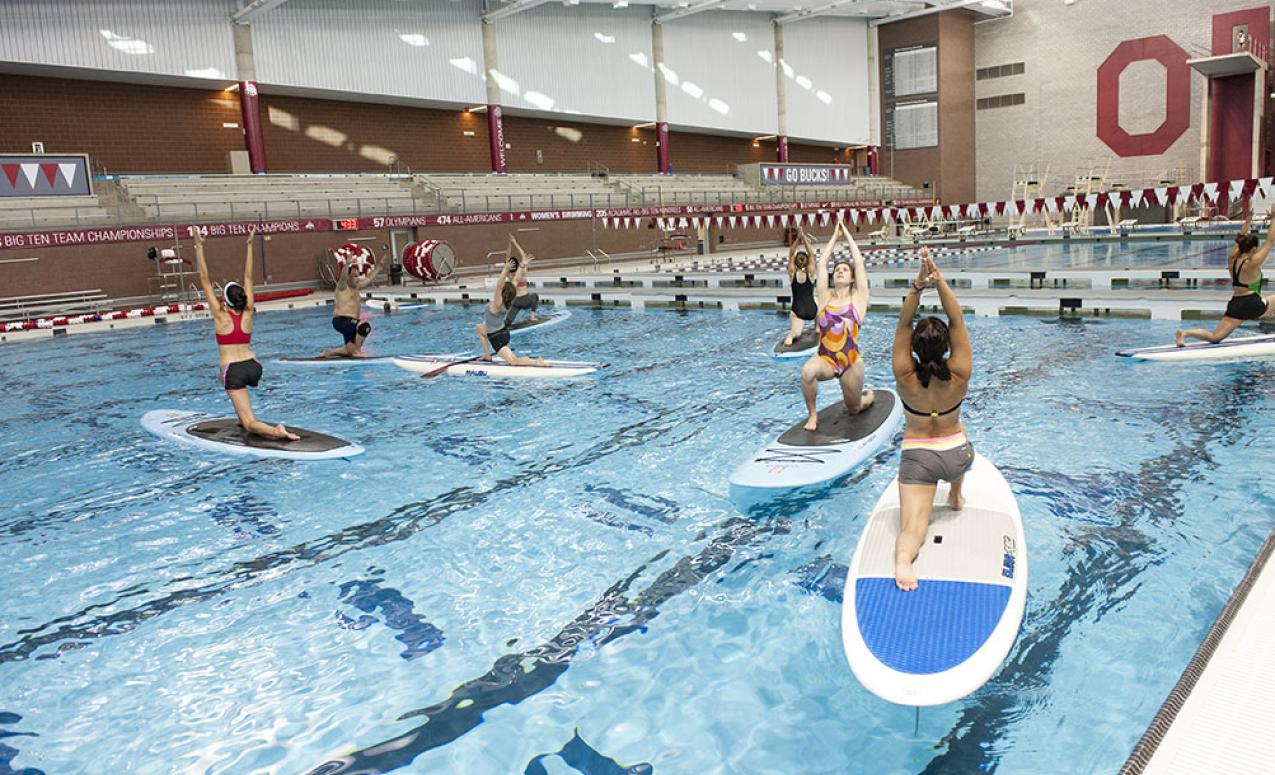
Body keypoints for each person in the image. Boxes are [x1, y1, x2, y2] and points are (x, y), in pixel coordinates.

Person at [891, 248, 972, 592]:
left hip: (919, 458)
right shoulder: (959, 371)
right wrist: (938, 280)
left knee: (914, 526)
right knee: (961, 443)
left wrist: (917, 286)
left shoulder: (904, 373)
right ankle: (955, 495)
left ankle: (903, 564)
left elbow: (902, 323)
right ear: (946, 346)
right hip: (958, 456)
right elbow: (958, 321)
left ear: (913, 347)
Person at [192, 226, 299, 441]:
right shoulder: (249, 311)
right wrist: (249, 244)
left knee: (250, 423)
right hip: (254, 366)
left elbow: (203, 277)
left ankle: (276, 430)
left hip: (235, 371)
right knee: (220, 376)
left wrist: (198, 245)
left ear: (225, 301)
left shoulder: (220, 316)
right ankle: (242, 414)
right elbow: (248, 277)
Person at [800, 217, 874, 431]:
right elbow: (822, 264)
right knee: (807, 372)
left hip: (850, 362)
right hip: (825, 359)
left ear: (851, 278)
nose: (840, 271)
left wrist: (848, 234)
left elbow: (859, 263)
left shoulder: (858, 301)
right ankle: (812, 415)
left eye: (845, 270)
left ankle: (867, 398)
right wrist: (835, 235)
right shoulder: (825, 299)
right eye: (838, 269)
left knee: (854, 409)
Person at [1176, 206, 1275, 346]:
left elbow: (1240, 237)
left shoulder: (1232, 259)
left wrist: (1248, 220)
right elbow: (1270, 240)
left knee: (1215, 337)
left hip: (1236, 304)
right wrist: (1274, 218)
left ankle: (1185, 333)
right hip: (1253, 304)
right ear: (1253, 249)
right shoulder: (1253, 262)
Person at [476, 256, 548, 366]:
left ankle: (537, 362)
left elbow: (499, 285)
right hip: (502, 331)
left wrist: (505, 270)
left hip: (497, 337)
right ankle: (487, 355)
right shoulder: (508, 300)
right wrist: (522, 265)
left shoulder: (497, 303)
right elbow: (516, 280)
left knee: (514, 361)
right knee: (480, 328)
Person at [319, 250, 386, 359]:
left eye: (358, 276)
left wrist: (380, 266)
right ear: (348, 277)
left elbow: (369, 277)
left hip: (351, 324)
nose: (357, 279)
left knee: (349, 350)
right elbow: (343, 277)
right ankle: (357, 352)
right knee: (364, 326)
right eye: (354, 276)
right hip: (341, 320)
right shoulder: (342, 287)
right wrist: (347, 264)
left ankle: (330, 352)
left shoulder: (357, 286)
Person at [783, 228, 818, 347]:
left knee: (795, 333)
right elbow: (812, 254)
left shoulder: (792, 273)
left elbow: (791, 253)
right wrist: (804, 238)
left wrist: (797, 239)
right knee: (820, 300)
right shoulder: (811, 273)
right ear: (807, 262)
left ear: (794, 262)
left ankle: (790, 337)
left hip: (798, 310)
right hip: (812, 310)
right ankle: (818, 328)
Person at [504, 235, 540, 326]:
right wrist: (515, 242)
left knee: (509, 320)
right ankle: (532, 317)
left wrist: (510, 244)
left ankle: (507, 323)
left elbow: (507, 258)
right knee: (535, 296)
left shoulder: (509, 274)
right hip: (526, 300)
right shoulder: (522, 271)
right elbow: (523, 255)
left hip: (516, 302)